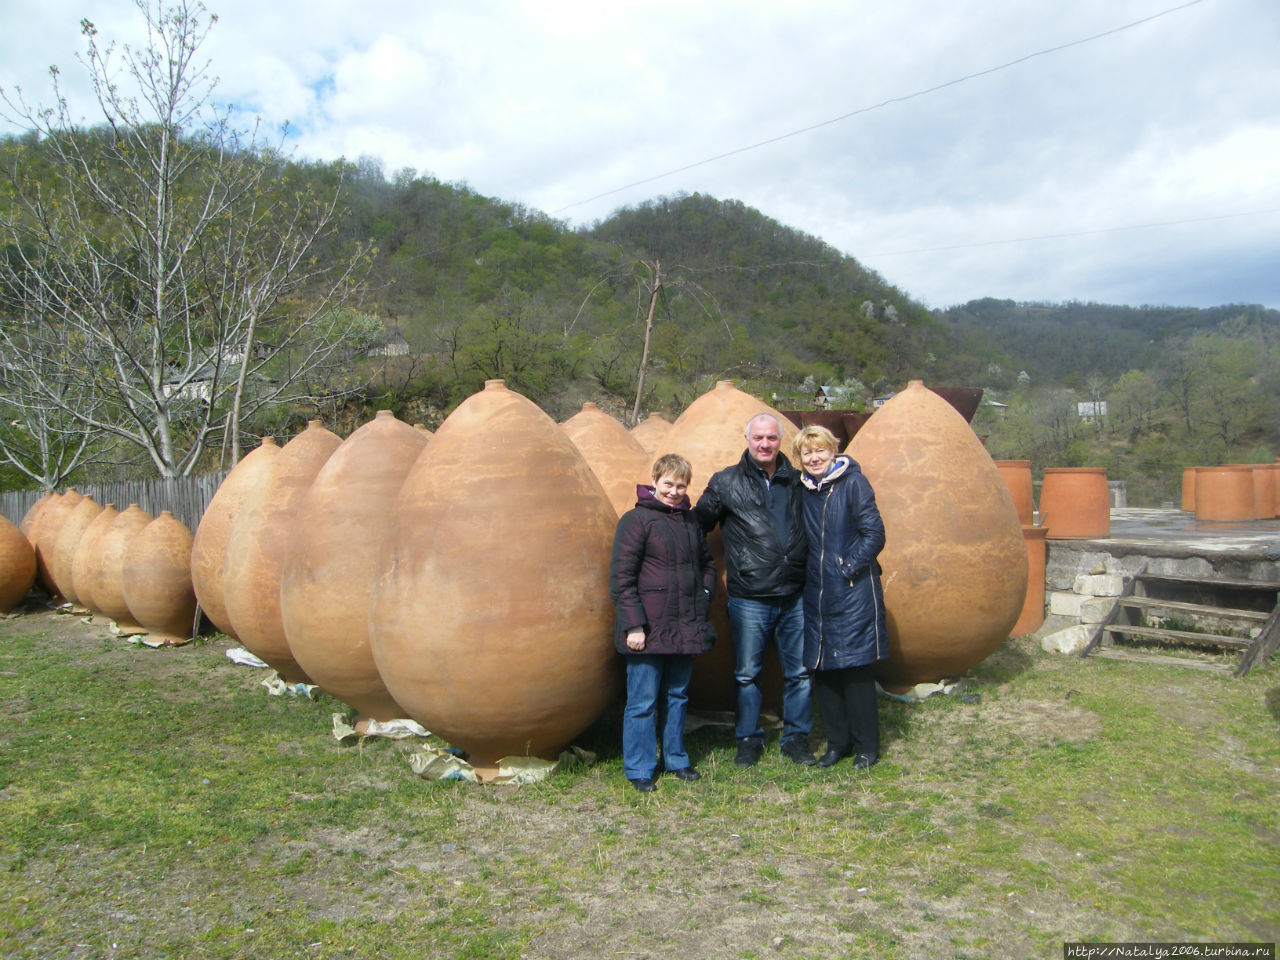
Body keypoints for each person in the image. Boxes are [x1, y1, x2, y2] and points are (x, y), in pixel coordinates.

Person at [695, 413, 815, 768]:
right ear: (746, 439)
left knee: (800, 673)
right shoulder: (725, 482)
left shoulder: (799, 481)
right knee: (747, 674)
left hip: (795, 594)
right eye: (758, 437)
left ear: (781, 441)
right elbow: (696, 524)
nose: (765, 444)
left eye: (772, 438)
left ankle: (796, 738)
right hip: (749, 598)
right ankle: (747, 738)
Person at [610, 453, 718, 793]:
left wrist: (703, 592)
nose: (673, 491)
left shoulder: (690, 523)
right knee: (642, 700)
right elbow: (621, 578)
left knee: (678, 695)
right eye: (668, 484)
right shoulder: (635, 521)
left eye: (681, 485)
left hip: (684, 624)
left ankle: (676, 758)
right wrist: (633, 626)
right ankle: (640, 767)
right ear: (654, 482)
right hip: (648, 627)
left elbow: (707, 564)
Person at [792, 425, 888, 769]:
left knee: (856, 671)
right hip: (817, 593)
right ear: (800, 459)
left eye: (820, 450)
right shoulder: (805, 491)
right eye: (807, 453)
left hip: (852, 592)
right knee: (826, 670)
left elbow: (874, 533)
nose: (814, 457)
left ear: (833, 451)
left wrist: (846, 567)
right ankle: (837, 743)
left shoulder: (853, 484)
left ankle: (866, 747)